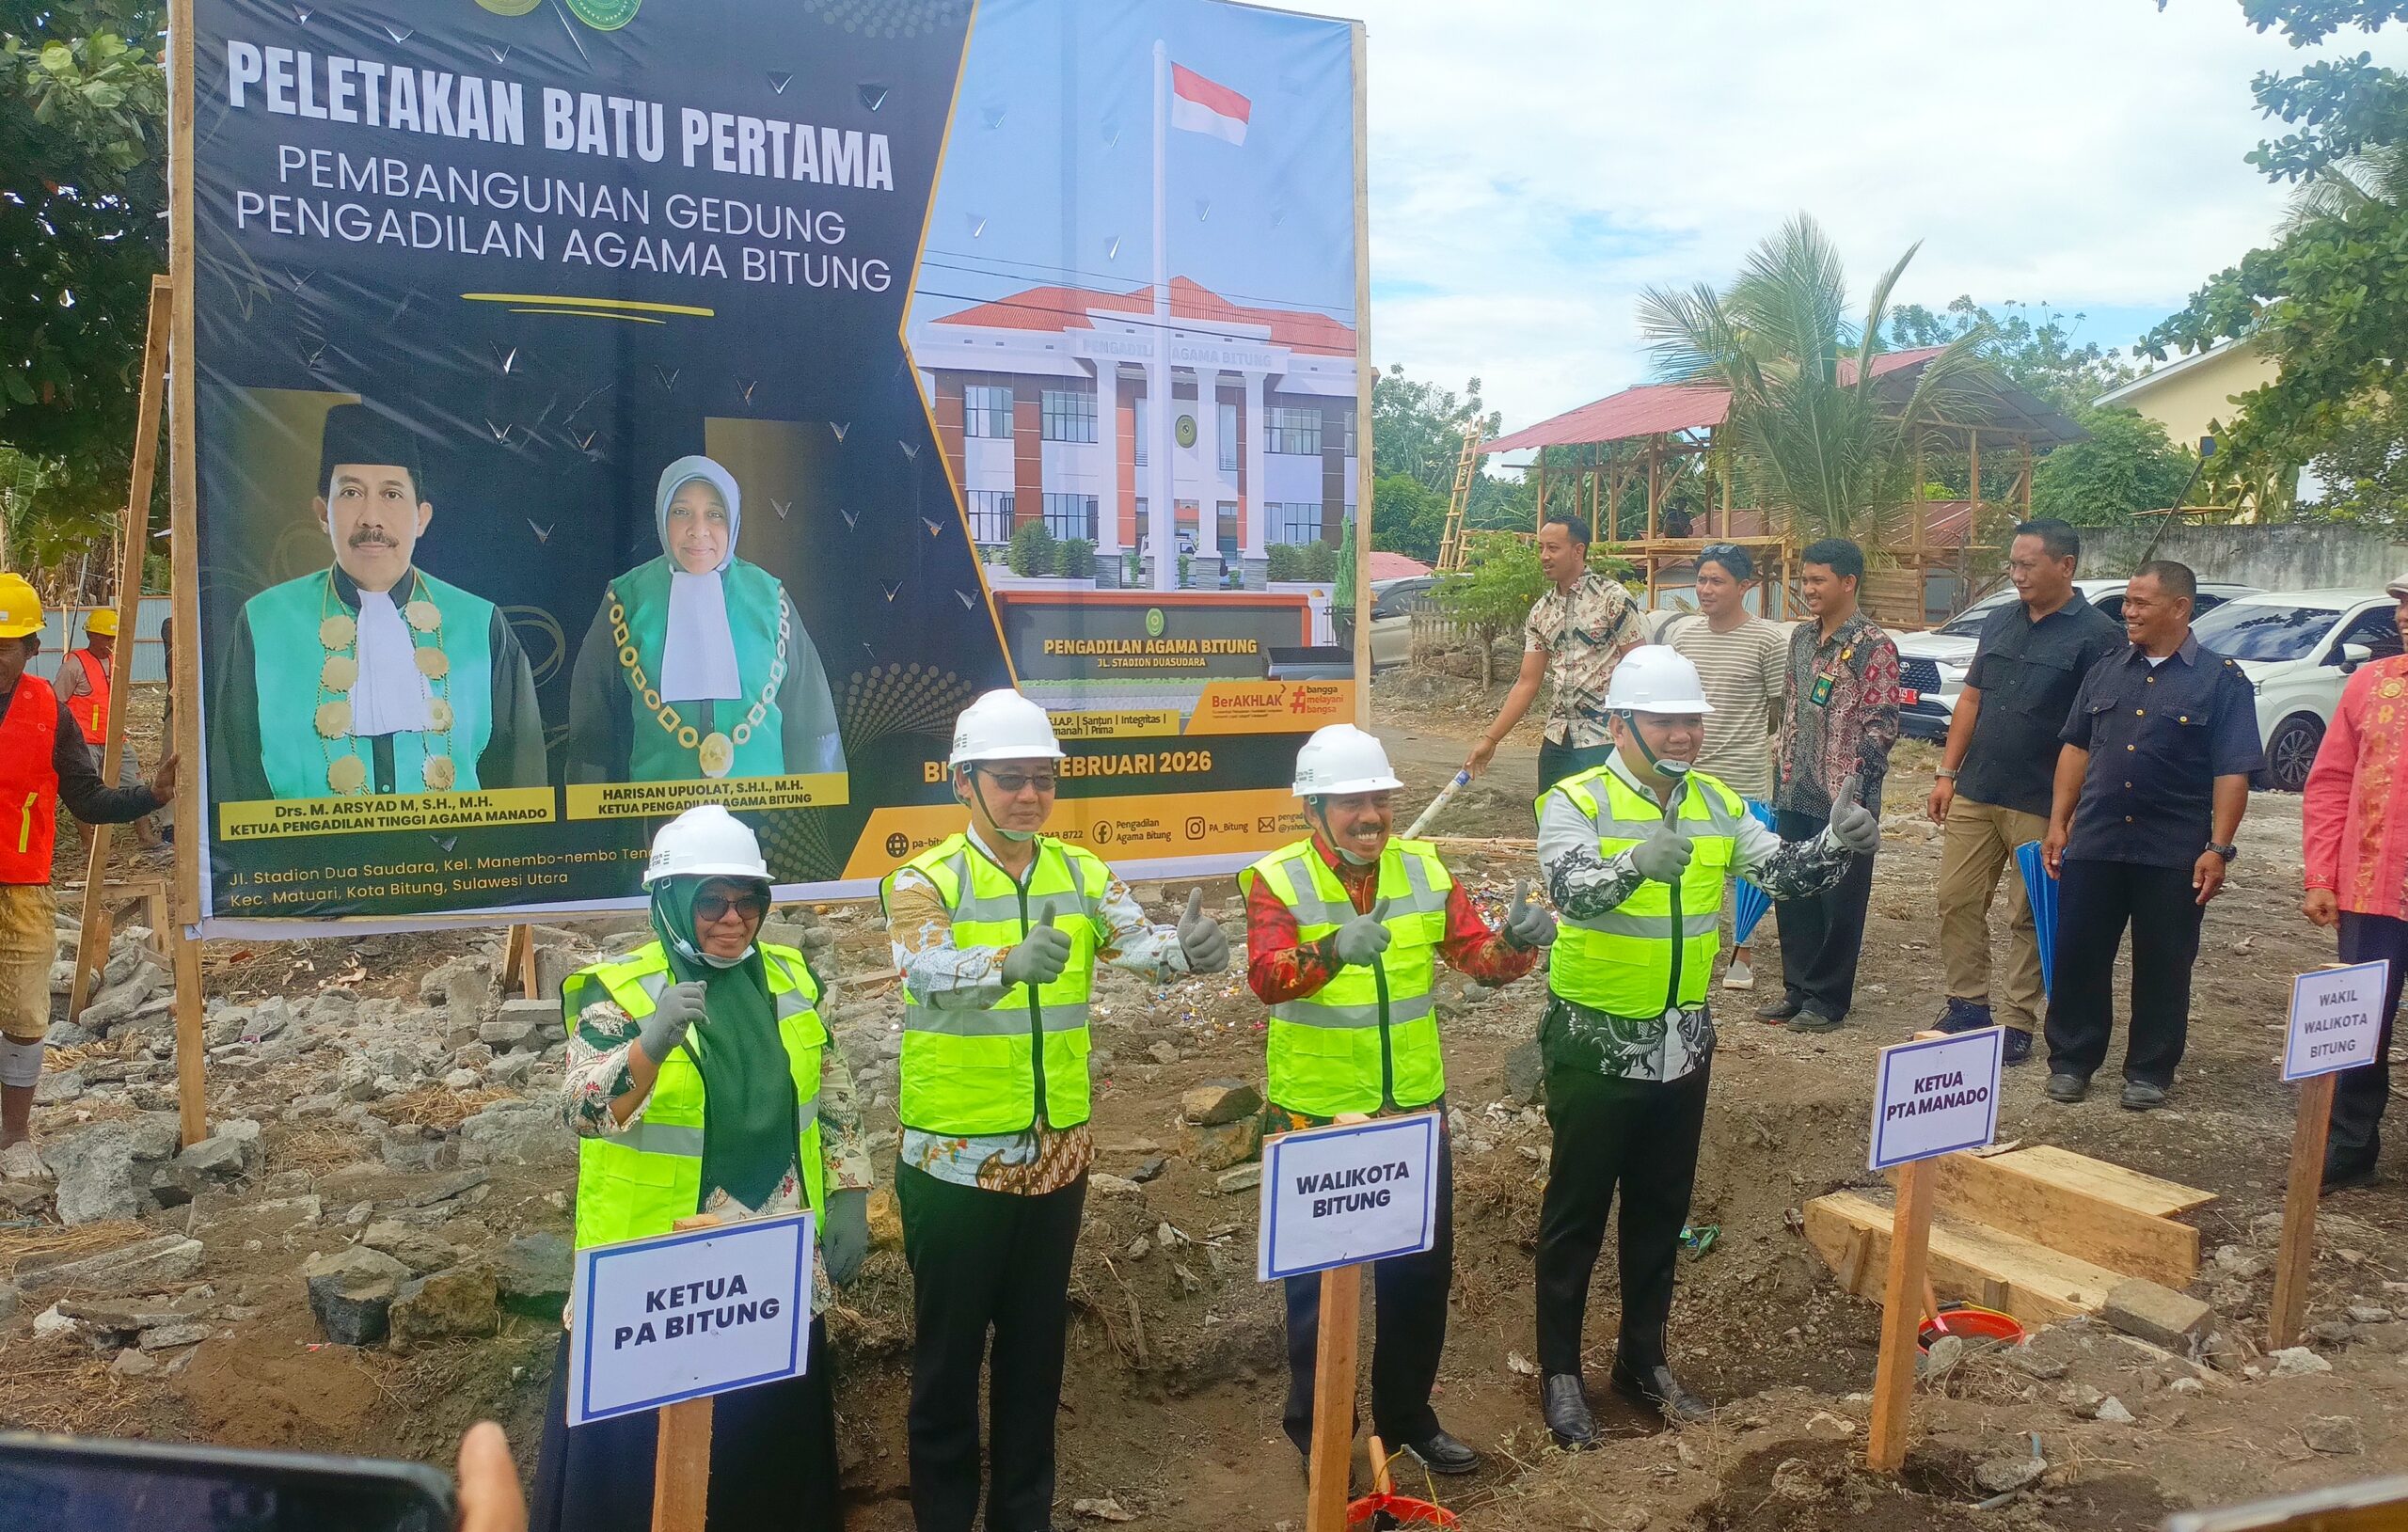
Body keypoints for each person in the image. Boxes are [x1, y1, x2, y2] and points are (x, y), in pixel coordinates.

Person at [879, 688, 1229, 1532]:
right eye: (1010, 778)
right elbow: (922, 968)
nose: (1029, 794)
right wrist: (1003, 960)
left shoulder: (1080, 871)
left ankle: (1022, 1517)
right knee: (948, 1367)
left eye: (1043, 778)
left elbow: (1136, 945)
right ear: (965, 782)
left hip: (1058, 1161)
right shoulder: (922, 880)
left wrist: (1181, 955)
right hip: (954, 1164)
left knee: (1035, 1359)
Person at [1533, 646, 1877, 1446]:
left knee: (1660, 1214)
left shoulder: (1719, 802)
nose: (1686, 733)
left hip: (1683, 1048)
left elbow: (1783, 875)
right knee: (1575, 1218)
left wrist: (1835, 842)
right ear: (1620, 724)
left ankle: (1641, 1361)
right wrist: (1632, 862)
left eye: (1692, 720)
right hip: (1595, 1045)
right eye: (1667, 719)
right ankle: (1560, 1374)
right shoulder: (1573, 800)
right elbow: (1572, 890)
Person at [533, 803, 871, 1532]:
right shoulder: (617, 991)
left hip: (771, 1262)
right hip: (652, 1282)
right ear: (670, 901)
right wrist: (648, 1044)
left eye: (748, 900)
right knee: (647, 1472)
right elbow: (580, 1110)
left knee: (764, 1452)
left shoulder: (788, 975)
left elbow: (832, 1086)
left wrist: (851, 1190)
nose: (733, 919)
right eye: (711, 902)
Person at [1241, 723, 1553, 1477]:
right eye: (1352, 801)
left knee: (1419, 1276)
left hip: (1413, 1111)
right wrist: (1329, 951)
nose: (1371, 815)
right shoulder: (1276, 879)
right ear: (1313, 808)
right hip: (1317, 1118)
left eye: (1378, 798)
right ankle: (1321, 1437)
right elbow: (1265, 974)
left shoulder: (1423, 868)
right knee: (1319, 1295)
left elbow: (1478, 960)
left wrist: (1516, 941)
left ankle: (1408, 1414)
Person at [211, 403, 547, 800]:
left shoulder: (480, 624)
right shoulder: (263, 623)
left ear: (421, 518)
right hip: (309, 862)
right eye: (351, 493)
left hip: (453, 861)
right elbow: (235, 777)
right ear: (323, 513)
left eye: (391, 494)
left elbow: (520, 783)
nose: (371, 518)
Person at [2042, 561, 2259, 1112]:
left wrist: (2218, 847)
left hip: (2173, 851)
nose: (2127, 611)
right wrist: (2058, 821)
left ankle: (2149, 1070)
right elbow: (2076, 747)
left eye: (2140, 602)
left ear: (2180, 608)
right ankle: (2072, 1060)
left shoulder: (2220, 680)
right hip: (2097, 839)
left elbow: (2232, 771)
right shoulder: (2107, 668)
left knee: (2164, 963)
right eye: (2127, 602)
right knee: (2079, 954)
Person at [1926, 520, 2122, 1066]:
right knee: (1956, 898)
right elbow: (1970, 699)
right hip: (1978, 786)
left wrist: (2071, 810)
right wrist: (1947, 771)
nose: (2017, 576)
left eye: (2028, 566)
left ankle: (2016, 1020)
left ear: (2065, 566)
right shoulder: (1999, 621)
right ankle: (1967, 1005)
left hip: (2042, 800)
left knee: (2030, 912)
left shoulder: (2097, 636)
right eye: (2012, 565)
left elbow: (2096, 733)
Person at [0, 575, 176, 1182]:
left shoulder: (47, 712)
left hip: (22, 887)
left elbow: (85, 797)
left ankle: (16, 1137)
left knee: (24, 1016)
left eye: (4, 646)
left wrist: (147, 796)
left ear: (30, 649)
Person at [568, 455, 845, 785]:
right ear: (661, 516)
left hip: (770, 822)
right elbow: (592, 737)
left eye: (715, 514)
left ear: (733, 520)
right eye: (681, 512)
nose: (698, 530)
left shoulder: (771, 599)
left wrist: (822, 821)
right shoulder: (625, 600)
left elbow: (813, 727)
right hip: (659, 821)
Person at [1765, 538, 1898, 1032]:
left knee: (1839, 900)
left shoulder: (1874, 646)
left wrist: (1859, 791)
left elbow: (1881, 723)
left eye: (1819, 580)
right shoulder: (1801, 638)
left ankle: (1826, 998)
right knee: (1793, 889)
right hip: (1795, 787)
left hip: (1846, 799)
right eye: (1806, 579)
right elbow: (1791, 707)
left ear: (1848, 583)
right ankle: (1797, 989)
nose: (1809, 588)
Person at [2303, 573, 2408, 1191]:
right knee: (2361, 1020)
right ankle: (2349, 1140)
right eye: (2401, 605)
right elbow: (2330, 783)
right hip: (2373, 888)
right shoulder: (2372, 684)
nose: (2402, 616)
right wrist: (2322, 874)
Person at [1661, 544, 1786, 991]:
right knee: (1689, 856)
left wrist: (1765, 746)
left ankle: (1742, 952)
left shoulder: (1769, 641)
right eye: (1701, 580)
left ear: (1744, 586)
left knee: (1746, 868)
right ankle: (1689, 943)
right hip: (1686, 769)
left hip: (1744, 769)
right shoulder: (1682, 637)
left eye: (1717, 581)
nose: (1706, 589)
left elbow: (1779, 707)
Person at [1463, 514, 1642, 796]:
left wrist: (1638, 738)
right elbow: (1527, 682)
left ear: (1578, 550)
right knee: (1551, 820)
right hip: (1558, 739)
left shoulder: (1613, 598)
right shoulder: (1540, 612)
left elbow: (1639, 668)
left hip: (1606, 737)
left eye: (1553, 548)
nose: (1544, 556)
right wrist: (1491, 738)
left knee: (1604, 827)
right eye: (1540, 548)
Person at [56, 607, 162, 852]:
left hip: (115, 737)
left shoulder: (116, 662)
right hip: (84, 740)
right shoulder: (74, 665)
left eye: (113, 638)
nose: (110, 643)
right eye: (105, 637)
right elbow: (58, 701)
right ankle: (88, 845)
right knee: (82, 791)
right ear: (91, 635)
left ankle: (145, 837)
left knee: (133, 783)